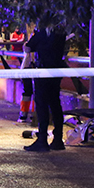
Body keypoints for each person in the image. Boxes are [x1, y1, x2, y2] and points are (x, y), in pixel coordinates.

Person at [24, 22, 67, 152]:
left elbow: (28, 47)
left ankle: (42, 139)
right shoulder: (61, 32)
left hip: (43, 71)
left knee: (41, 104)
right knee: (55, 103)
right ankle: (58, 138)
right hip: (56, 71)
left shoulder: (42, 32)